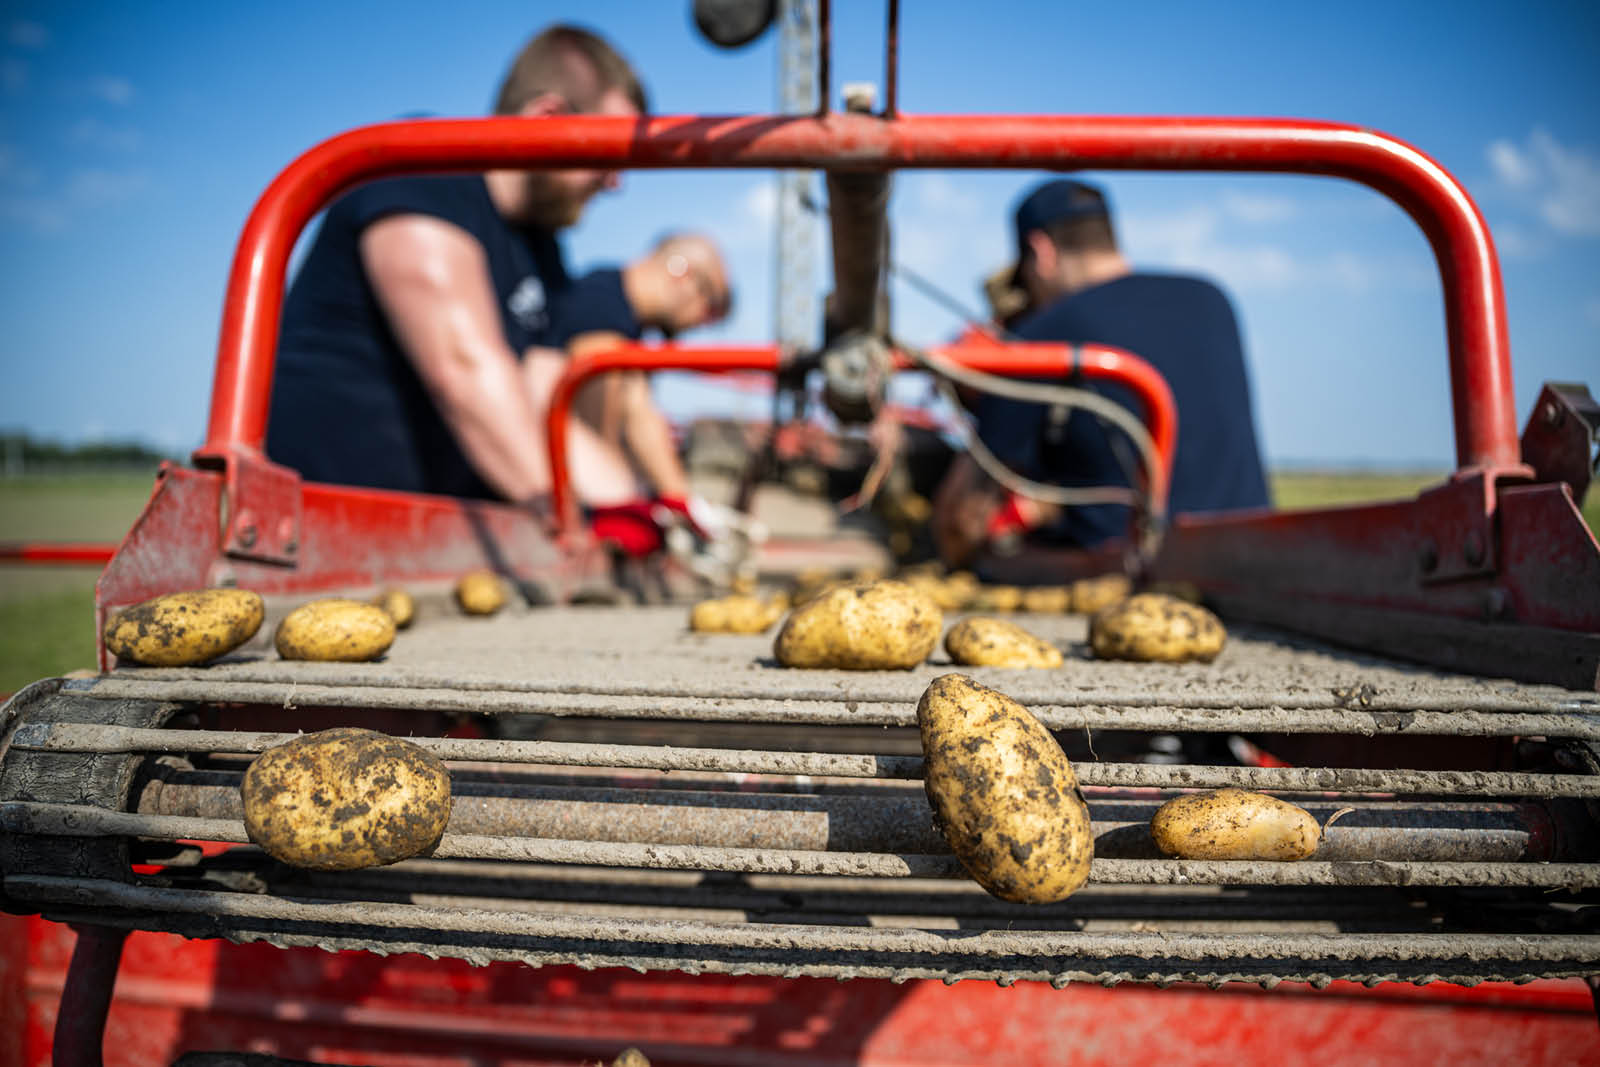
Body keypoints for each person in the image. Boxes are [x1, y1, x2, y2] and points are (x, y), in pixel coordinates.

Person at [265, 25, 648, 526]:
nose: (616, 183)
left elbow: (547, 406)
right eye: (608, 155)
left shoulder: (542, 250)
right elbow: (464, 373)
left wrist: (637, 511)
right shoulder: (426, 167)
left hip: (427, 542)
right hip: (315, 528)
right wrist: (577, 529)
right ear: (548, 118)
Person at [933, 178, 1271, 567]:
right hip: (1249, 562)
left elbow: (960, 521)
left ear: (1040, 252)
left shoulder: (1043, 336)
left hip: (1123, 573)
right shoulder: (1212, 299)